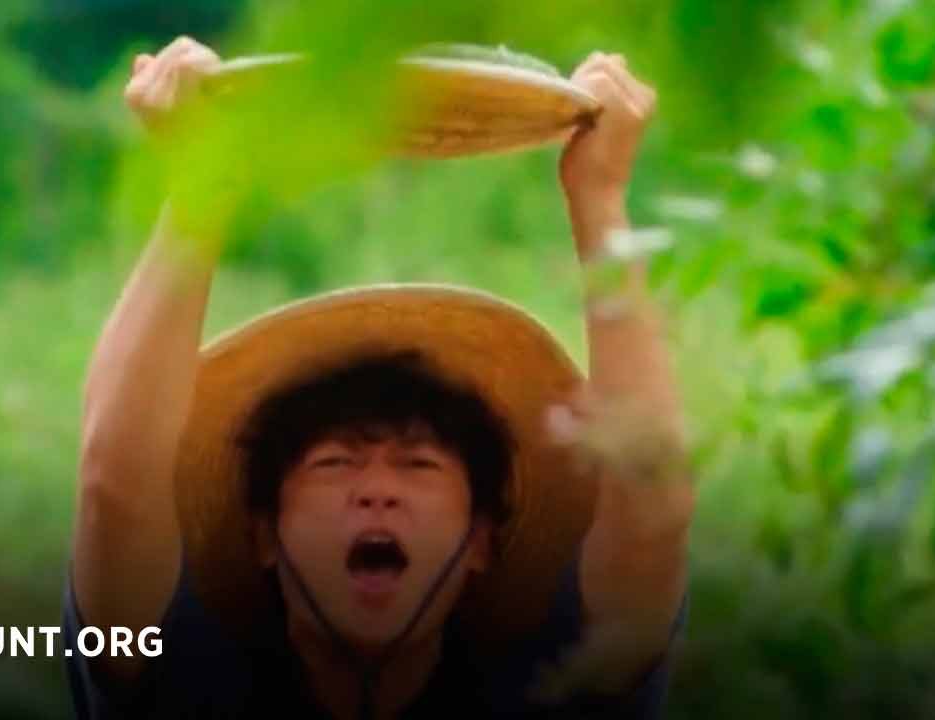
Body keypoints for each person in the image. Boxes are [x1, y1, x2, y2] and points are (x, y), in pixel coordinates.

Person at [64, 35, 694, 719]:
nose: (376, 493)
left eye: (419, 465)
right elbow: (115, 483)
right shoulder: (181, 681)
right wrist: (198, 194)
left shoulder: (561, 682)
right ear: (265, 533)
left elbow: (651, 505)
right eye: (334, 464)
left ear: (482, 538)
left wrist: (600, 199)